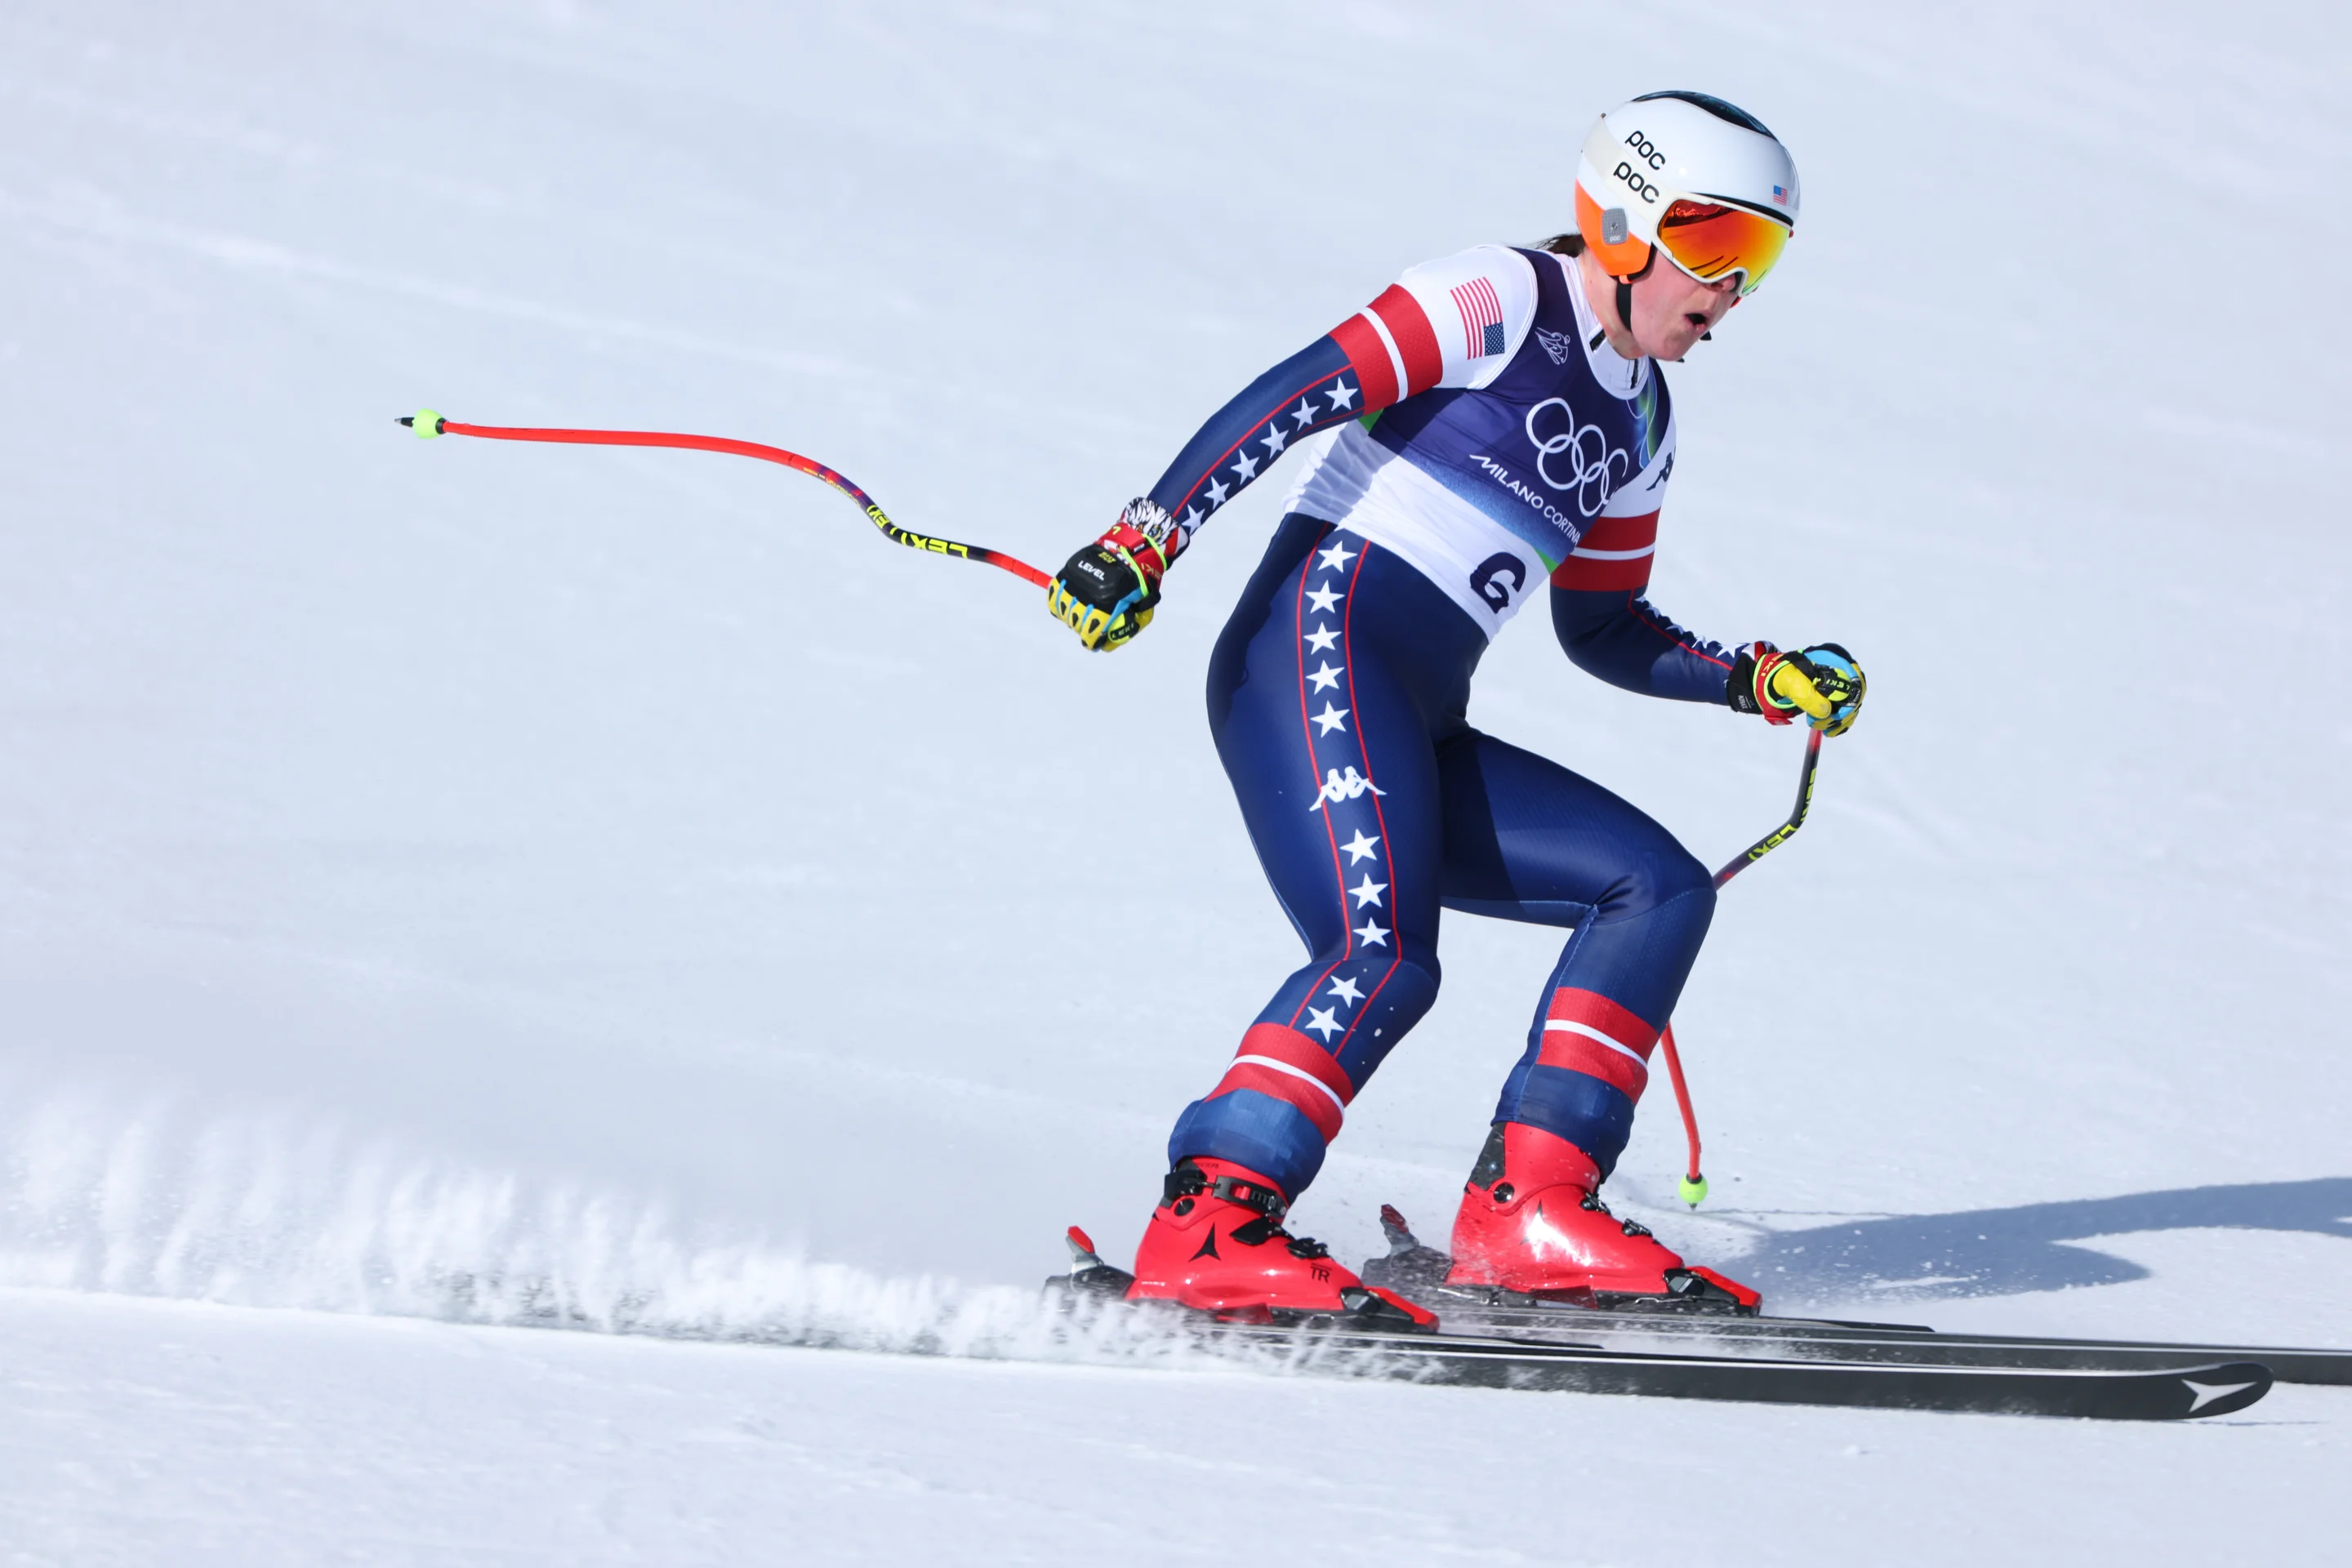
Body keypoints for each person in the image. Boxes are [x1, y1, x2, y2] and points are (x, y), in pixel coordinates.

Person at [1045, 91, 1864, 1316]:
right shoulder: (1499, 296)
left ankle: (1529, 1209)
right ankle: (1209, 1219)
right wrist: (1145, 538)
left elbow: (1604, 630)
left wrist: (1752, 678)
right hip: (1311, 654)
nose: (1729, 291)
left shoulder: (1641, 419)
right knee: (1383, 956)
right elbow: (1298, 392)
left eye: (1761, 259)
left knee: (1656, 889)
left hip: (1417, 716)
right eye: (1718, 246)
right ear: (1630, 220)